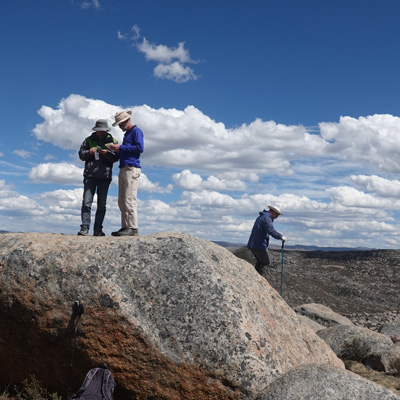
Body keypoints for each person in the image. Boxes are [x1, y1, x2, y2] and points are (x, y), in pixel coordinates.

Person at [77, 119, 118, 236]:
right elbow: (81, 155)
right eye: (99, 131)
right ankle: (85, 228)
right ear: (96, 130)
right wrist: (89, 152)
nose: (101, 133)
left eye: (103, 131)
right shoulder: (88, 140)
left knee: (102, 205)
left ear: (106, 130)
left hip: (105, 177)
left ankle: (98, 230)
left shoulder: (112, 141)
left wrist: (107, 153)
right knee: (86, 202)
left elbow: (116, 158)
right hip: (90, 175)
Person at [109, 110, 144, 237]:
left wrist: (121, 148)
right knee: (122, 200)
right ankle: (125, 227)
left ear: (126, 121)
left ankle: (132, 228)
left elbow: (140, 148)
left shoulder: (136, 131)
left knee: (129, 198)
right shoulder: (127, 134)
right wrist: (113, 150)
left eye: (120, 124)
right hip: (124, 167)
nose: (119, 126)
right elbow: (125, 152)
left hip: (131, 168)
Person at [247, 205, 286, 276]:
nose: (277, 217)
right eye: (277, 215)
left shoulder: (261, 217)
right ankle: (260, 279)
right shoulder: (267, 218)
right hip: (259, 244)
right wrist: (280, 236)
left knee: (260, 262)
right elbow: (270, 230)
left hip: (253, 244)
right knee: (265, 262)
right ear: (272, 212)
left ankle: (255, 276)